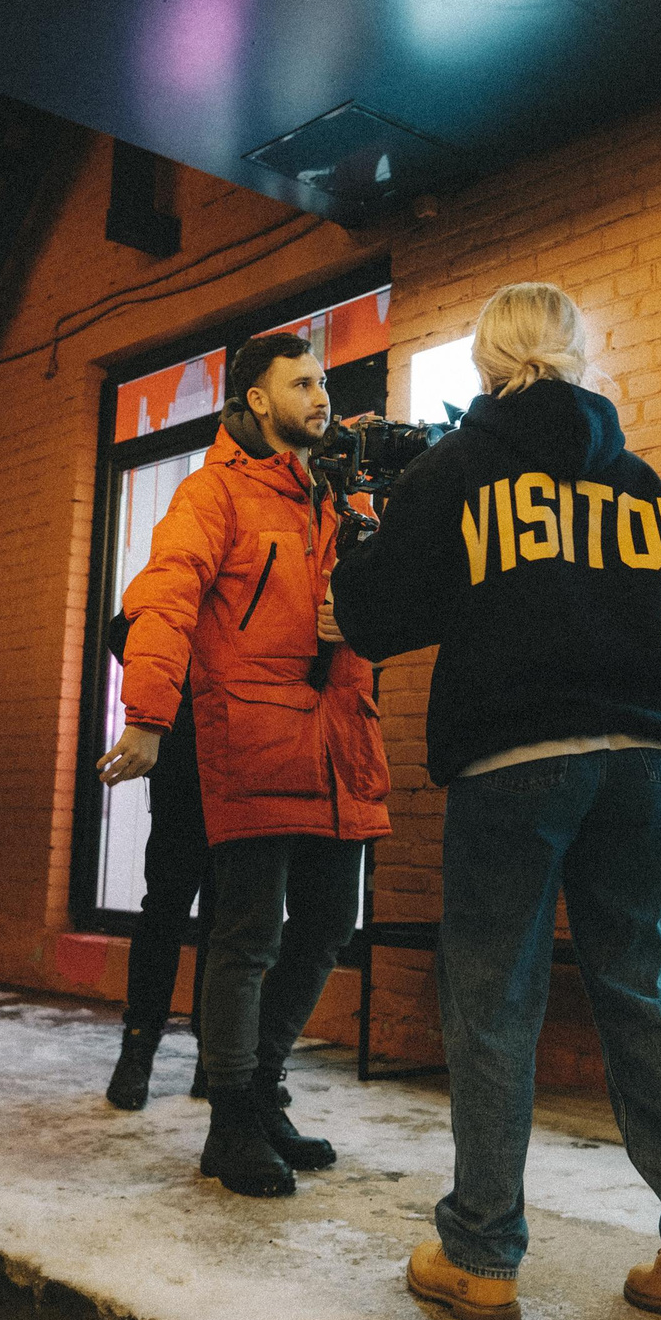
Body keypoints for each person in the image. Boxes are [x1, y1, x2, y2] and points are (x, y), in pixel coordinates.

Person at [332, 281, 661, 1320]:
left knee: (493, 1002)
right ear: (577, 356)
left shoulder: (457, 470)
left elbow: (374, 617)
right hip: (637, 767)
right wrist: (621, 665)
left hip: (510, 763)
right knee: (648, 991)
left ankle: (480, 1256)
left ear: (485, 363)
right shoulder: (639, 482)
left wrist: (364, 534)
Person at [98, 332, 392, 1197]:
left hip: (338, 738)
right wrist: (149, 716)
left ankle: (260, 1086)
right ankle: (229, 1119)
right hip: (254, 735)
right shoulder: (214, 491)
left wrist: (361, 609)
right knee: (248, 932)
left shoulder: (338, 496)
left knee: (330, 921)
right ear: (257, 399)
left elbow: (381, 608)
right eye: (301, 382)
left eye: (323, 381)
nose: (321, 395)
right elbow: (164, 597)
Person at [101, 624, 213, 1110]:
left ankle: (217, 1058)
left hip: (246, 763)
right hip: (184, 766)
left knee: (228, 921)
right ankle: (138, 1048)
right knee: (165, 909)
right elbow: (122, 630)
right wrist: (175, 696)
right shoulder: (180, 586)